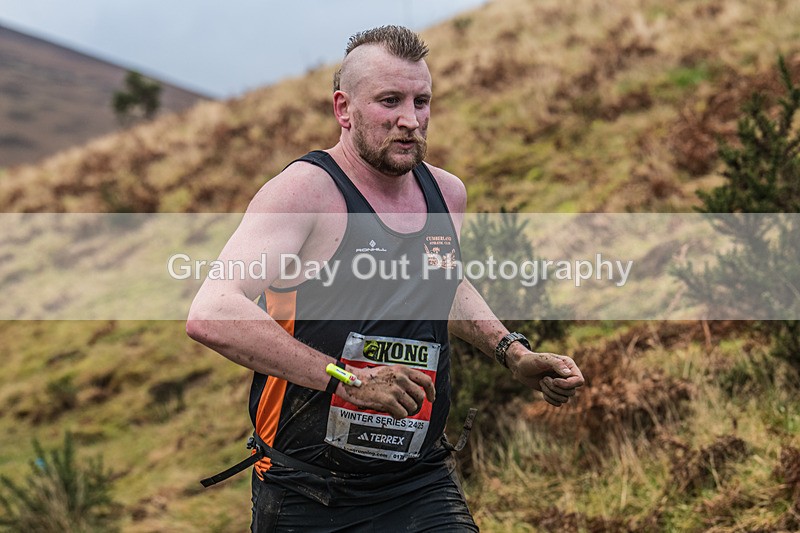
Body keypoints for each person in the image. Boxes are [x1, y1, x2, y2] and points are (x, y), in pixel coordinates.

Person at [187, 25, 584, 532]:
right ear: (343, 108)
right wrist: (349, 381)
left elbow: (443, 284)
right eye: (390, 101)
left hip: (418, 481)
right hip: (307, 490)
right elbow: (212, 311)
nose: (410, 120)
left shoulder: (446, 193)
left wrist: (513, 352)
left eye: (422, 102)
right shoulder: (305, 193)